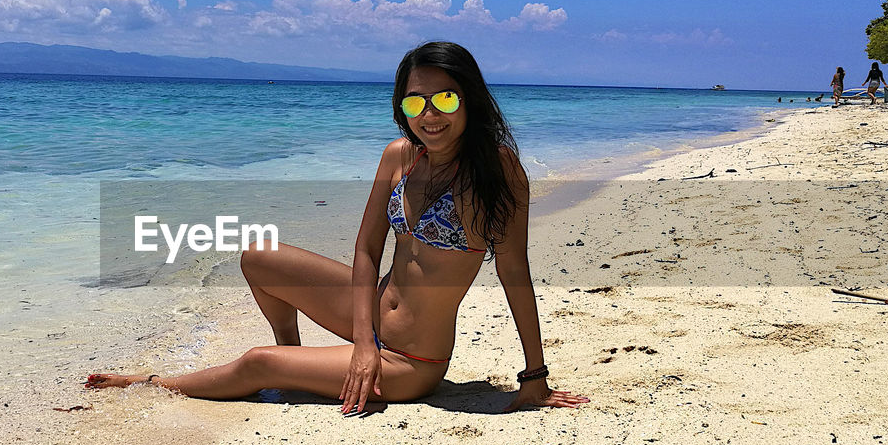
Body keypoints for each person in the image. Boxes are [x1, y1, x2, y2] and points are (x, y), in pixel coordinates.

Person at [86, 42, 587, 416]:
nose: (430, 115)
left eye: (445, 100)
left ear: (469, 100)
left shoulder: (497, 170)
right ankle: (294, 355)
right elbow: (367, 249)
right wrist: (363, 344)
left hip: (412, 359)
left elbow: (513, 271)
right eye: (416, 103)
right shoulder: (400, 157)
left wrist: (534, 377)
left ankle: (154, 382)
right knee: (258, 256)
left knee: (256, 363)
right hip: (368, 321)